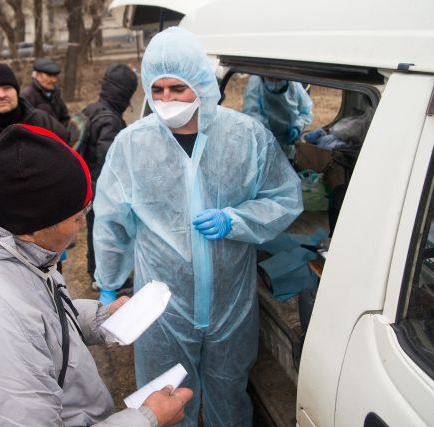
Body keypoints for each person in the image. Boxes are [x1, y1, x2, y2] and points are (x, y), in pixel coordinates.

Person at [0, 123, 192, 426]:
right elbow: (14, 324)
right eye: (78, 216)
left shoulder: (8, 247)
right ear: (36, 226)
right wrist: (147, 419)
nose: (81, 227)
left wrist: (101, 319)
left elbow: (35, 316)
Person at [93, 27, 303, 426]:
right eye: (158, 90)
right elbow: (110, 221)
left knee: (229, 390)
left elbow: (285, 197)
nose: (167, 100)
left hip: (231, 303)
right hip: (164, 309)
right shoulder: (132, 145)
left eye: (178, 89)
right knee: (166, 400)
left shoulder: (245, 137)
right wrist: (108, 282)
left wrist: (235, 220)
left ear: (202, 85)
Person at [81, 63, 138, 291]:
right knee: (106, 233)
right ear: (125, 93)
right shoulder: (110, 120)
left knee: (94, 230)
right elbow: (110, 164)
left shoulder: (91, 109)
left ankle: (94, 272)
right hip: (101, 189)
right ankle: (105, 278)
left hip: (88, 187)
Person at [0, 61, 69, 164]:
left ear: (16, 91)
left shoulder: (42, 121)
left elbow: (68, 151)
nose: (1, 95)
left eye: (7, 88)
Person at [242, 75, 313, 159]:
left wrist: (297, 127)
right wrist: (265, 135)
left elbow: (306, 112)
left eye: (279, 78)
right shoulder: (255, 85)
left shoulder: (294, 85)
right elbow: (252, 114)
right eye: (270, 78)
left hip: (288, 145)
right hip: (263, 145)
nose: (275, 82)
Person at [21, 57, 70, 125]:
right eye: (49, 76)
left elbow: (65, 118)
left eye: (55, 76)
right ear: (37, 75)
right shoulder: (27, 96)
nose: (54, 80)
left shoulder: (55, 94)